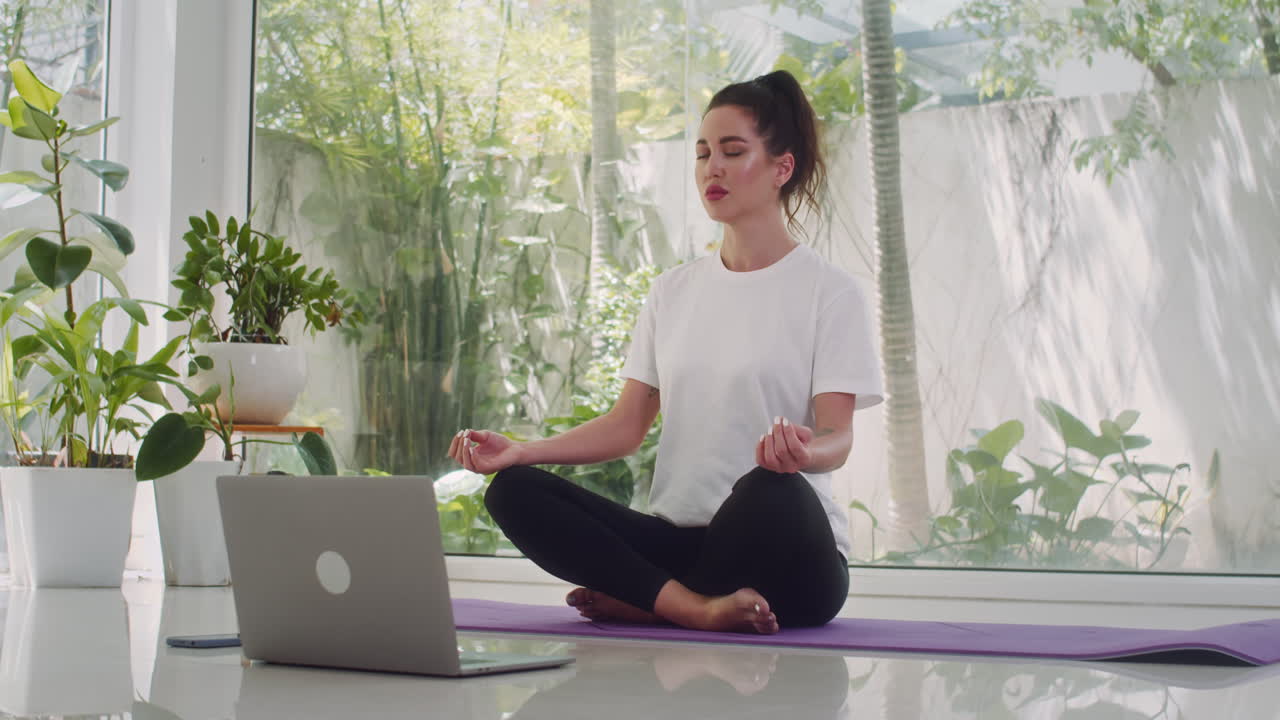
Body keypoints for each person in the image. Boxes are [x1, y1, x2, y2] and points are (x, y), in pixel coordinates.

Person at [448, 69, 883, 634]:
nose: (712, 169)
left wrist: (803, 455)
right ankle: (694, 607)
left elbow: (837, 438)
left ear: (782, 167)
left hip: (789, 555)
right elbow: (627, 426)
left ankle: (653, 600)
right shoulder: (671, 293)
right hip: (680, 544)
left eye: (732, 151)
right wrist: (521, 452)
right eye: (703, 154)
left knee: (769, 488)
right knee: (515, 492)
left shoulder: (830, 292)